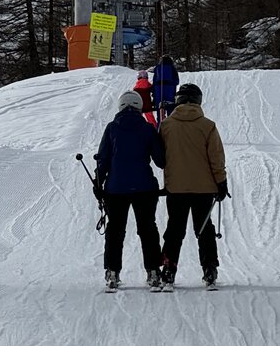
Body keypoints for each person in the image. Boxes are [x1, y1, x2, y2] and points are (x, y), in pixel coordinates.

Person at [94, 90, 167, 290]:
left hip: (116, 189)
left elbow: (103, 159)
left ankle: (112, 271)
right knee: (148, 228)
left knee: (115, 230)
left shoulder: (112, 128)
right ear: (139, 107)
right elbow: (161, 161)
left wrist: (98, 183)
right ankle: (153, 271)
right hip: (144, 188)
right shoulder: (147, 128)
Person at [158, 82, 228, 289]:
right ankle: (209, 268)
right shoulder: (208, 126)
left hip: (176, 188)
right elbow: (216, 158)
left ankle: (168, 268)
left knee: (174, 228)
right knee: (204, 228)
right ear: (198, 101)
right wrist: (221, 182)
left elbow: (161, 157)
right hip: (203, 188)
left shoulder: (167, 125)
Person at [151, 55, 178, 124]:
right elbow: (176, 81)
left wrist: (154, 95)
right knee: (171, 114)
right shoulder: (172, 68)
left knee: (160, 115)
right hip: (170, 93)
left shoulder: (157, 68)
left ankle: (160, 127)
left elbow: (154, 82)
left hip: (159, 93)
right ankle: (170, 128)